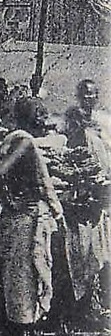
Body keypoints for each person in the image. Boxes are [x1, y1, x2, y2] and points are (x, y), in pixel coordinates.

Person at [0, 97, 65, 336]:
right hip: (25, 218)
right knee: (25, 277)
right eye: (39, 113)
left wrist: (6, 202)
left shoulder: (12, 138)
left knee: (15, 276)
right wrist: (14, 202)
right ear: (28, 116)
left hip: (16, 218)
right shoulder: (24, 141)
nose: (43, 118)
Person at [62, 78, 111, 314]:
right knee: (85, 249)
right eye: (84, 95)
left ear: (97, 96)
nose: (88, 99)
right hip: (85, 191)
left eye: (92, 94)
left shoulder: (104, 121)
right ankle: (85, 303)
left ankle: (99, 301)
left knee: (102, 248)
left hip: (103, 187)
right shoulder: (73, 124)